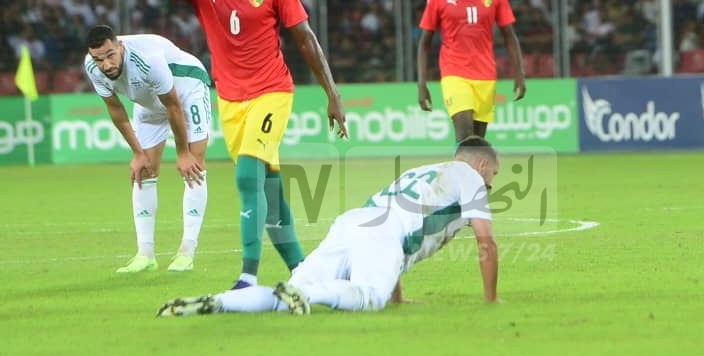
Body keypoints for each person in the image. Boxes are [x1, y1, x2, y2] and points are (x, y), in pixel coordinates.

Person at [123, 0, 349, 290]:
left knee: (247, 176)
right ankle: (302, 270)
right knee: (270, 190)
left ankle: (248, 276)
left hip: (272, 92)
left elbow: (306, 39)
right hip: (230, 100)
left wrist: (333, 94)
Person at [156, 136, 500, 316]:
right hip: (380, 236)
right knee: (369, 298)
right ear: (482, 164)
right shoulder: (470, 178)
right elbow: (486, 242)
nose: (492, 183)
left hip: (353, 223)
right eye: (494, 174)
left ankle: (221, 302)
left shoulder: (421, 171)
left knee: (282, 298)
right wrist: (491, 300)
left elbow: (401, 231)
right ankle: (308, 294)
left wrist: (398, 296)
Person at [84, 25, 211, 273]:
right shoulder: (92, 67)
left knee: (193, 167)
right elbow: (115, 108)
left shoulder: (147, 60)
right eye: (99, 59)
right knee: (143, 171)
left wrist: (183, 153)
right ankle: (145, 255)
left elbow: (173, 105)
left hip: (186, 89)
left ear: (120, 46)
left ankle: (186, 251)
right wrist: (138, 153)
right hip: (148, 100)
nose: (106, 65)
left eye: (110, 55)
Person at [417, 0, 526, 143]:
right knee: (465, 134)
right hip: (454, 72)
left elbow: (509, 36)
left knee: (476, 141)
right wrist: (421, 84)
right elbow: (425, 43)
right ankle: (461, 164)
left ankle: (468, 166)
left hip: (486, 74)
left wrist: (519, 73)